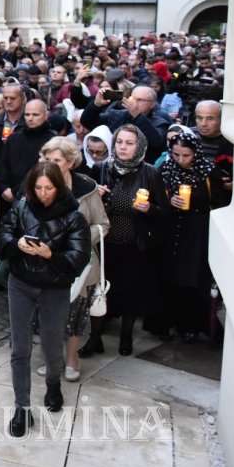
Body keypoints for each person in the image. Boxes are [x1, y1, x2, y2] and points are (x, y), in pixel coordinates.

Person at [0, 162, 90, 438]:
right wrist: (16, 245)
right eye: (38, 188)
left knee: (51, 343)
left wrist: (51, 256)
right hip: (21, 283)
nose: (43, 193)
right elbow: (2, 235)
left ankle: (52, 384)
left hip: (54, 288)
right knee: (20, 347)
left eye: (48, 188)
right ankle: (21, 407)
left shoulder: (74, 216)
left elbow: (78, 258)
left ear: (59, 187)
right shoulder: (22, 206)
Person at [79, 125, 170, 357]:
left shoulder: (150, 173)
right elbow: (82, 206)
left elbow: (165, 213)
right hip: (104, 245)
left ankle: (126, 336)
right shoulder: (100, 168)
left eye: (129, 143)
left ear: (139, 146)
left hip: (134, 245)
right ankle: (95, 338)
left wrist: (149, 208)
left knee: (130, 293)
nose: (123, 147)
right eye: (119, 142)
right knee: (98, 291)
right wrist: (94, 195)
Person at [37, 137, 109, 382]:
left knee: (75, 314)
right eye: (47, 159)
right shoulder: (39, 183)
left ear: (70, 162)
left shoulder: (86, 188)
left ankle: (72, 359)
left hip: (78, 262)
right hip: (46, 260)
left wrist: (77, 238)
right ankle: (50, 359)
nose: (51, 164)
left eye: (56, 160)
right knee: (48, 313)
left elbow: (102, 224)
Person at [156, 132, 230, 341]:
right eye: (176, 154)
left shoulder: (209, 173)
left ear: (195, 153)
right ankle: (170, 323)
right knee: (171, 279)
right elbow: (157, 197)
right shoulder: (166, 169)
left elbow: (220, 204)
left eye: (186, 155)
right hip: (171, 231)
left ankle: (192, 325)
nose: (181, 160)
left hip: (197, 233)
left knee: (193, 280)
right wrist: (169, 202)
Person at [0, 99, 54, 203]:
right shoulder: (14, 137)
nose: (30, 118)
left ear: (46, 115)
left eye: (35, 115)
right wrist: (4, 187)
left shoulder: (53, 141)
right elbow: (3, 163)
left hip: (37, 197)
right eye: (27, 114)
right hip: (8, 196)